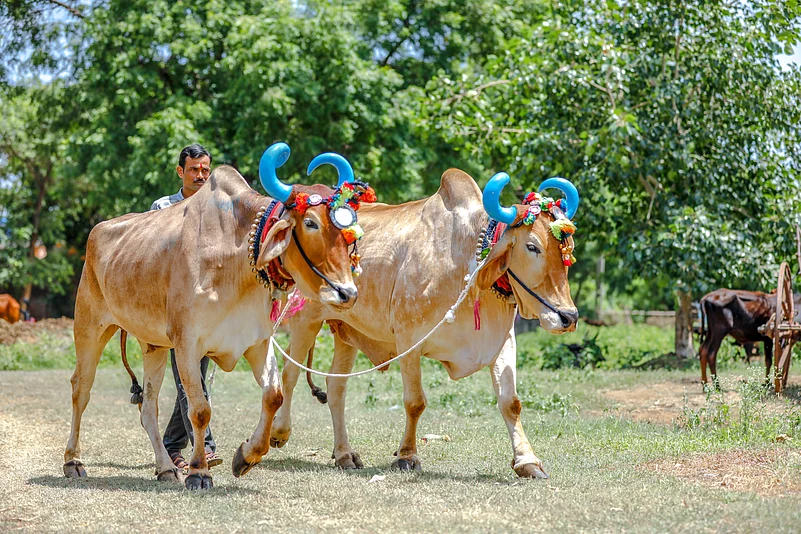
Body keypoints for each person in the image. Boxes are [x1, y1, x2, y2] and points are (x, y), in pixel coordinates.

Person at [150, 143, 221, 470]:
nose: (201, 175)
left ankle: (171, 444)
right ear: (180, 171)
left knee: (195, 374)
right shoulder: (163, 207)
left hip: (205, 304)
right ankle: (203, 446)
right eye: (194, 169)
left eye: (205, 169)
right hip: (171, 307)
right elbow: (152, 256)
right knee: (188, 376)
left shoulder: (218, 207)